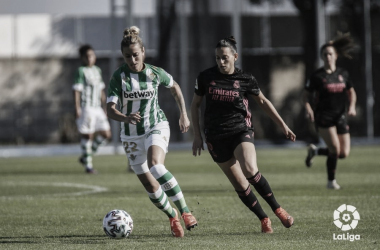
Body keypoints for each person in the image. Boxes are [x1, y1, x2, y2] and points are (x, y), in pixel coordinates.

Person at [191, 36, 295, 234]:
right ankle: (264, 219)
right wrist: (197, 135)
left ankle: (278, 209)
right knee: (240, 183)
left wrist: (283, 125)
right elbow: (195, 105)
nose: (221, 62)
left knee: (249, 168)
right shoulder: (205, 77)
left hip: (240, 130)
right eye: (217, 58)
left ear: (235, 57)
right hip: (215, 136)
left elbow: (263, 102)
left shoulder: (245, 79)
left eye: (225, 58)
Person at [106, 26, 197, 238]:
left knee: (156, 165)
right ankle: (172, 216)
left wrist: (183, 113)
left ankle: (185, 211)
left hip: (156, 125)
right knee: (148, 183)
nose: (132, 60)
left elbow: (174, 87)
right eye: (127, 56)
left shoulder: (154, 73)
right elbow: (109, 109)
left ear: (143, 52)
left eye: (136, 55)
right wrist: (125, 117)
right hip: (130, 135)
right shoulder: (119, 77)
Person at [303, 35, 357, 190]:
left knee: (343, 153)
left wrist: (352, 107)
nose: (328, 56)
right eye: (325, 54)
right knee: (334, 149)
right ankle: (331, 182)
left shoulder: (343, 73)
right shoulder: (317, 76)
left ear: (336, 55)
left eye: (330, 54)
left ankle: (316, 151)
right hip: (323, 117)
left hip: (340, 116)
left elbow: (351, 92)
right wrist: (309, 109)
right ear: (322, 57)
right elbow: (305, 96)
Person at [73, 44, 111, 174]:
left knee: (106, 134)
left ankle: (85, 157)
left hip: (98, 107)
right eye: (87, 56)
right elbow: (77, 90)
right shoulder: (81, 71)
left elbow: (101, 90)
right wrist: (77, 108)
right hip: (86, 107)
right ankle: (88, 166)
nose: (90, 58)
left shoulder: (97, 70)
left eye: (92, 55)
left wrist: (105, 106)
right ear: (83, 58)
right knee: (88, 135)